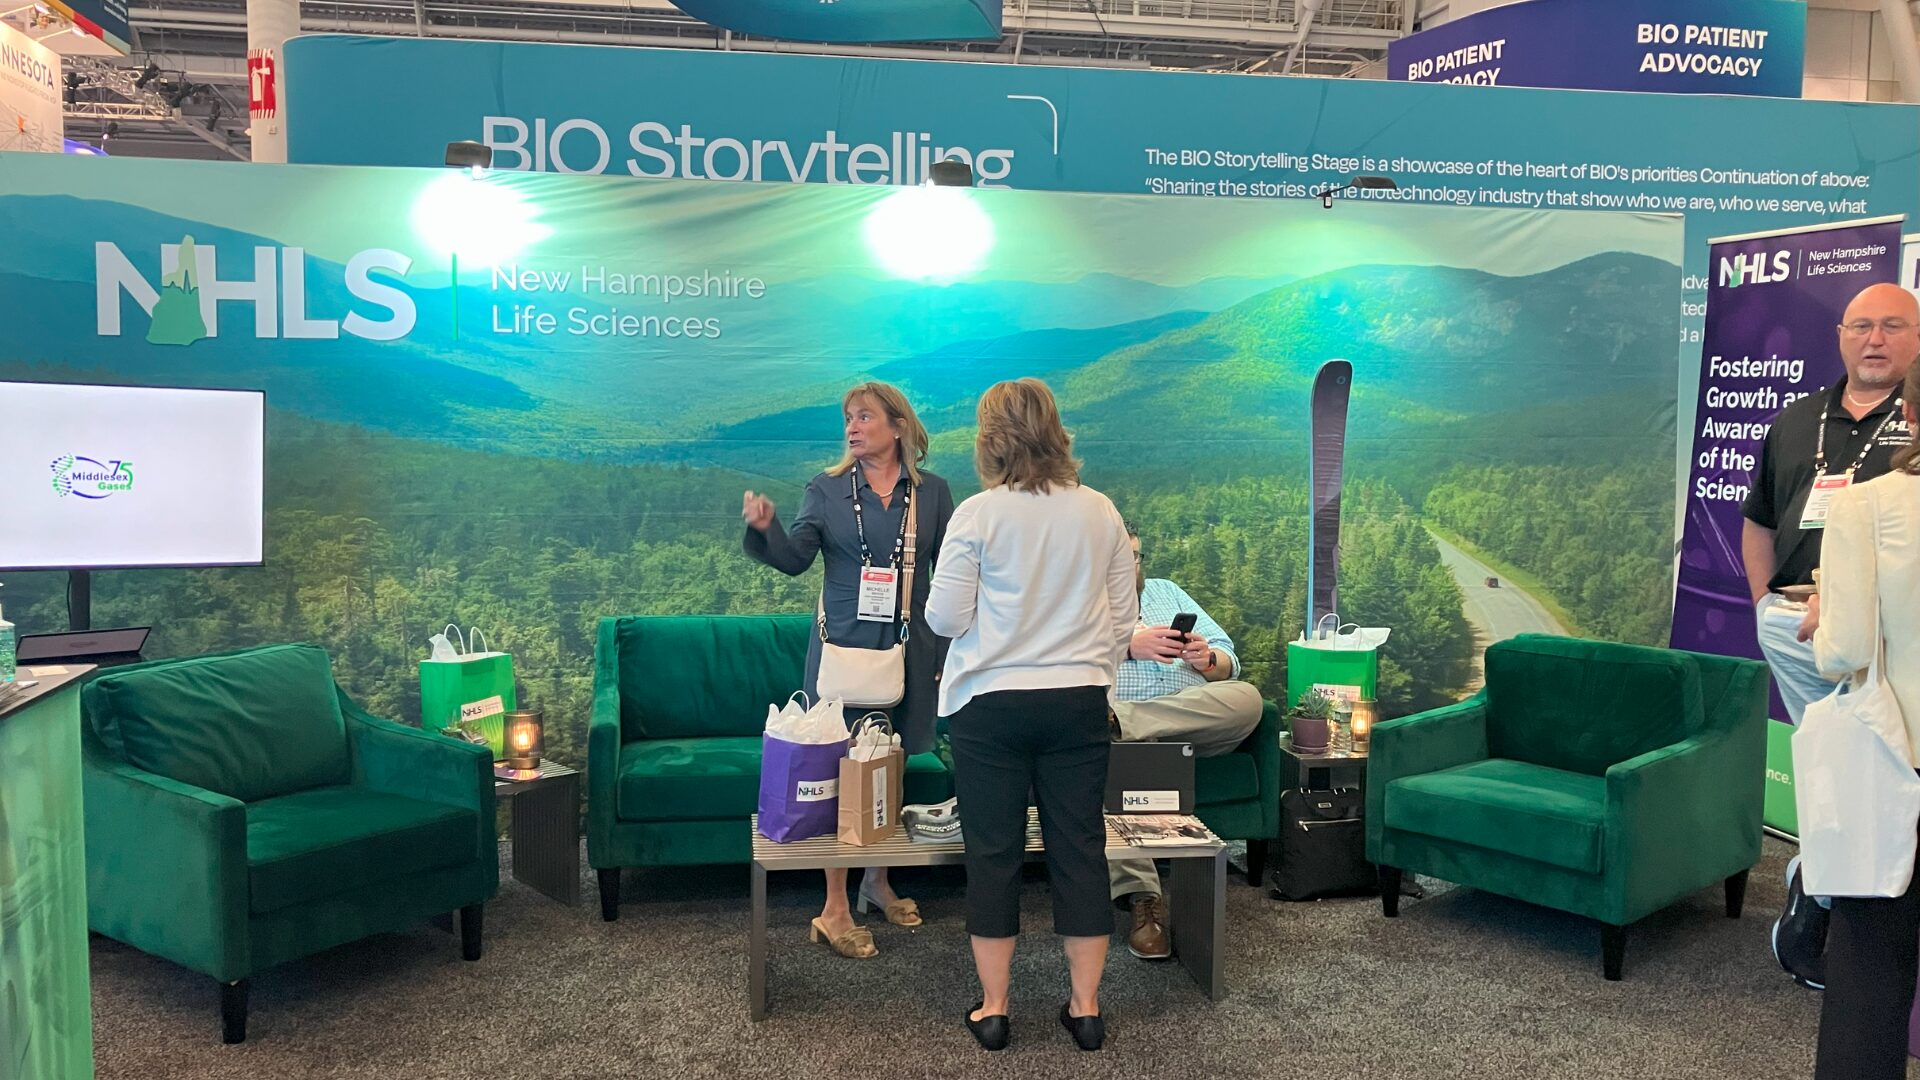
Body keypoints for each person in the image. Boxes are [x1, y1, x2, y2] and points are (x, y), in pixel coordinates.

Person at [925, 378, 1135, 1053]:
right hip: (1078, 701)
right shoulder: (1100, 511)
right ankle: (1086, 1009)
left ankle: (993, 1011)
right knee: (1080, 849)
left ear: (990, 440)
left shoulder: (978, 515)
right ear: (1056, 430)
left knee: (993, 853)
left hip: (990, 706)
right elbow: (1123, 621)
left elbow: (944, 618)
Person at [742, 381, 956, 960]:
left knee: (891, 760)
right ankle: (833, 906)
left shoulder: (934, 492)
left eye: (864, 416)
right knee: (840, 769)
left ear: (898, 425)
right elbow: (794, 559)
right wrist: (764, 529)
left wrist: (947, 655)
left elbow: (951, 578)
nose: (852, 427)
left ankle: (877, 882)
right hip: (841, 649)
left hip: (910, 647)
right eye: (848, 419)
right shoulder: (827, 489)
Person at [1807, 357, 1920, 1080]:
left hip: (1895, 763)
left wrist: (1824, 612)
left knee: (1870, 973)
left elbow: (1842, 652)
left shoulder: (1867, 506)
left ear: (1909, 411)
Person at [1743, 283, 1919, 722]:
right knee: (1821, 754)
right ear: (1841, 336)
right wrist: (1763, 605)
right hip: (1792, 624)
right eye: (1861, 327)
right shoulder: (1796, 418)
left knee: (1893, 756)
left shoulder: (1916, 421)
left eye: (1892, 326)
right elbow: (1760, 518)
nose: (1874, 339)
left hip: (1886, 635)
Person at [1109, 524, 1264, 960]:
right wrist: (1128, 647)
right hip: (1124, 735)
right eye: (1121, 557)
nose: (1131, 566)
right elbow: (1060, 661)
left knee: (1247, 698)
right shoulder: (1078, 601)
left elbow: (1228, 658)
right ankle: (1144, 901)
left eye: (1136, 556)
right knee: (1123, 759)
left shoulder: (1167, 592)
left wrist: (1208, 658)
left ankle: (1123, 724)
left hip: (1185, 722)